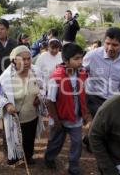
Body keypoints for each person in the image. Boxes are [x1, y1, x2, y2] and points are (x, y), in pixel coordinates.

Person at [0, 45, 47, 165]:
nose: (27, 62)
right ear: (14, 61)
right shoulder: (7, 77)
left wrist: (40, 97)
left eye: (29, 59)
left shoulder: (36, 71)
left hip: (32, 115)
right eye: (23, 59)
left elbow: (43, 87)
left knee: (29, 138)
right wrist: (7, 105)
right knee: (12, 138)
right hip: (14, 118)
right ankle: (13, 157)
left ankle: (28, 157)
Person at [82, 27, 120, 151]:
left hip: (114, 99)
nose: (110, 48)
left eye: (115, 45)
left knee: (109, 126)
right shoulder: (92, 56)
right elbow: (80, 72)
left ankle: (91, 140)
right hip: (94, 97)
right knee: (95, 125)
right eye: (108, 43)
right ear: (104, 42)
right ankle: (91, 142)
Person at [44, 43, 89, 175]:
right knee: (56, 142)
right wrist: (56, 121)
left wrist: (84, 113)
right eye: (76, 59)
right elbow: (50, 101)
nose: (80, 61)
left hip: (76, 117)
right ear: (66, 60)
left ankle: (73, 167)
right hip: (61, 118)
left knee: (77, 143)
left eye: (81, 58)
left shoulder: (82, 74)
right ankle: (49, 158)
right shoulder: (56, 77)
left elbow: (82, 94)